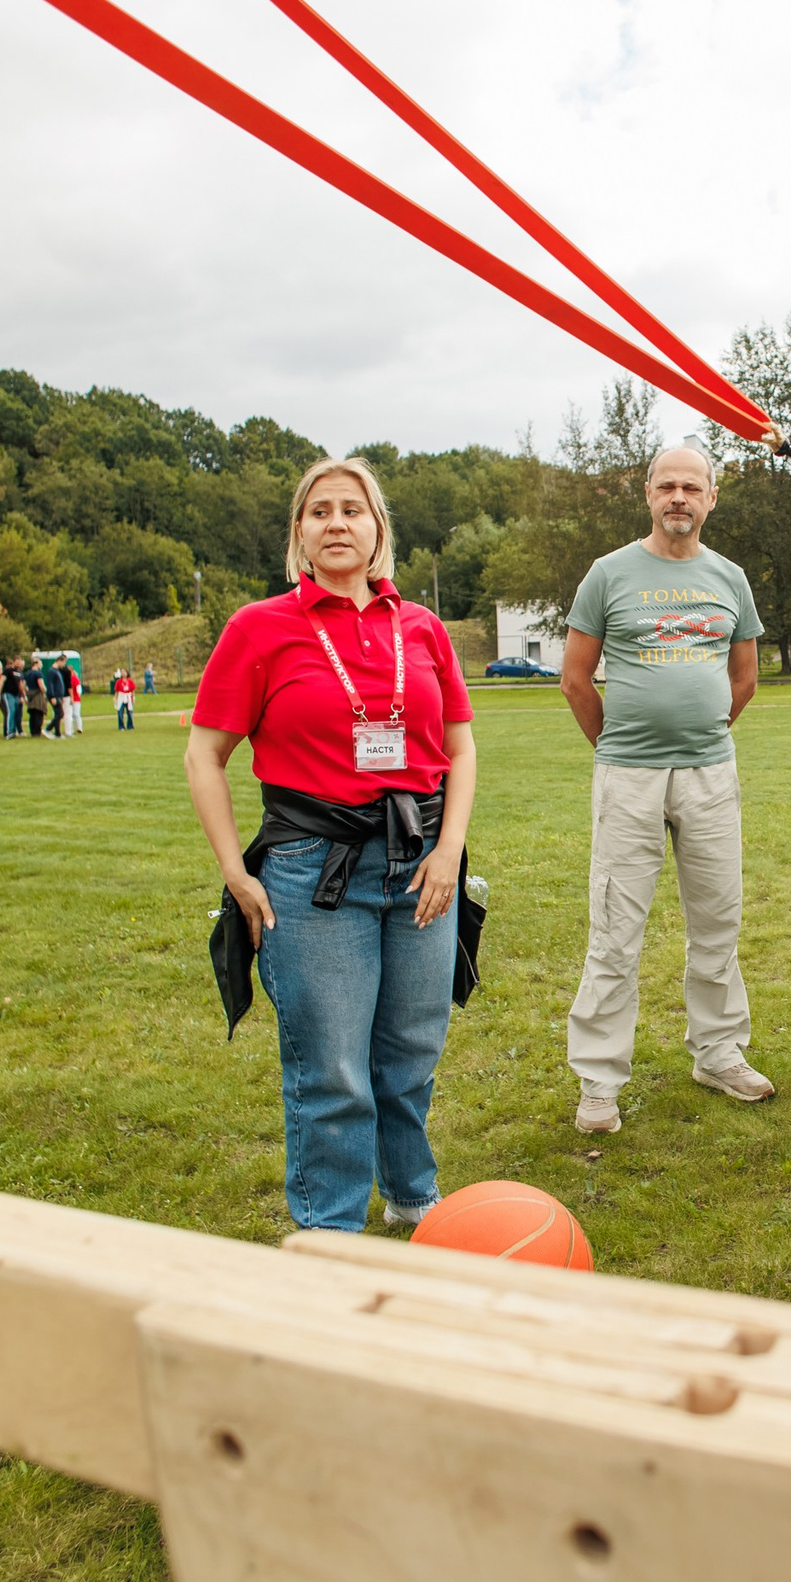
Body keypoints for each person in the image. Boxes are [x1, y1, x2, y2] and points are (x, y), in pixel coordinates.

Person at [185, 455, 476, 1233]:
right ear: (300, 534)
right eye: (320, 511)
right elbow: (203, 755)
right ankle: (330, 1230)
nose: (337, 522)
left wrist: (449, 850)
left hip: (419, 863)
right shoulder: (260, 627)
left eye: (353, 509)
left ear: (378, 529)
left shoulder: (421, 626)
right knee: (334, 1070)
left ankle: (412, 1195)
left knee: (410, 1052)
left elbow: (461, 745)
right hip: (314, 872)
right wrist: (235, 875)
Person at [560, 436, 772, 1133]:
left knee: (718, 919)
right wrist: (620, 746)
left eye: (692, 486)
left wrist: (703, 729)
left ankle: (717, 1051)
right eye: (666, 486)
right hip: (628, 775)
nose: (678, 497)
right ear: (649, 495)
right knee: (616, 927)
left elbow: (744, 677)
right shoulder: (608, 573)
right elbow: (575, 676)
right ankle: (598, 1080)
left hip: (709, 772)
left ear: (711, 496)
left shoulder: (730, 577)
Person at [24, 660, 51, 740]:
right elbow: (41, 685)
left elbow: (23, 685)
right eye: (40, 663)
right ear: (36, 663)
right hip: (37, 695)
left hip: (30, 694)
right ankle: (37, 731)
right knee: (39, 712)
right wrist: (45, 691)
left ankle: (32, 731)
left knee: (32, 714)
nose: (41, 665)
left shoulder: (27, 673)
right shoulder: (38, 673)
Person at [41, 657, 68, 739]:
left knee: (58, 714)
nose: (64, 665)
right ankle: (47, 729)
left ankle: (57, 733)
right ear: (59, 661)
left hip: (59, 695)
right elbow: (50, 684)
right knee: (60, 714)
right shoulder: (51, 671)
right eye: (64, 663)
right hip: (55, 696)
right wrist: (52, 696)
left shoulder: (57, 671)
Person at [1, 656, 27, 739]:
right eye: (17, 662)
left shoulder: (18, 672)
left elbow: (20, 685)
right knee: (11, 711)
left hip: (16, 694)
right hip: (8, 693)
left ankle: (15, 730)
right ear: (14, 662)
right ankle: (9, 732)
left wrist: (23, 695)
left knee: (16, 712)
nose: (19, 664)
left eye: (20, 662)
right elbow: (1, 681)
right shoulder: (8, 671)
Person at [62, 659, 85, 736]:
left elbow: (78, 688)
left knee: (76, 714)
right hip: (69, 698)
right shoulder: (67, 679)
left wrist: (78, 695)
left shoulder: (75, 678)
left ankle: (79, 727)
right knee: (70, 714)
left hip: (75, 698)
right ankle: (70, 729)